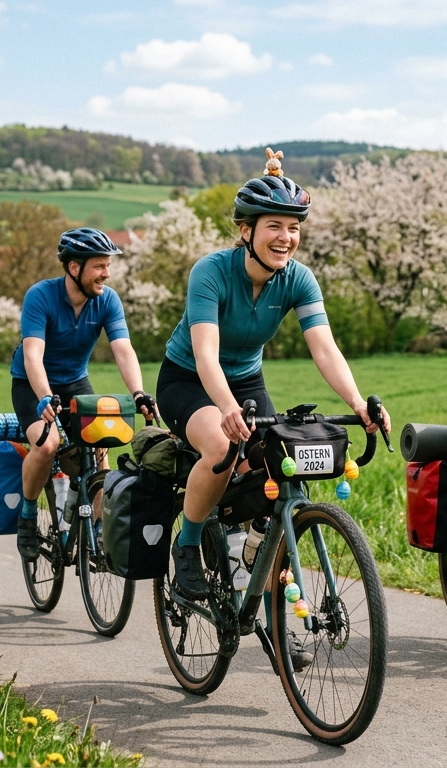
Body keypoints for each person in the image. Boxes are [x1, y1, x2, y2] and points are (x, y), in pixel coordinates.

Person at [155, 155, 389, 601]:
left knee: (275, 462)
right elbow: (205, 354)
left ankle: (259, 561)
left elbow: (324, 348)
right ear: (247, 230)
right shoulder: (211, 273)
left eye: (294, 228)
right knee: (223, 448)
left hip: (247, 382)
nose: (286, 238)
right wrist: (224, 408)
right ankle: (187, 544)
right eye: (274, 226)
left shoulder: (299, 280)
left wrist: (359, 403)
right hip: (188, 381)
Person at [12, 227, 157, 560]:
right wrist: (46, 397)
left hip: (76, 381)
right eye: (99, 266)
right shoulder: (41, 296)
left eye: (108, 266)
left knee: (101, 438)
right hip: (32, 383)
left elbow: (123, 349)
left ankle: (95, 525)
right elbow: (33, 354)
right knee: (47, 445)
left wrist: (138, 393)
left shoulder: (107, 300)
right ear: (74, 268)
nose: (106, 273)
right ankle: (28, 512)